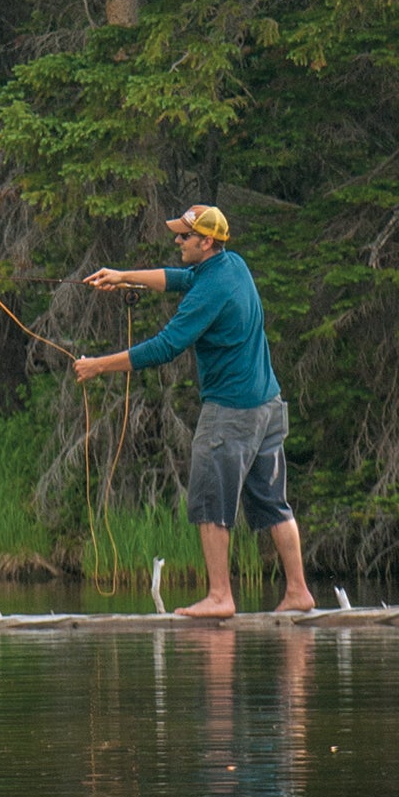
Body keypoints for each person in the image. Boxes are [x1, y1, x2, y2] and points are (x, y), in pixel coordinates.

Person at [73, 201, 315, 620]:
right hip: (268, 406)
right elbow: (181, 278)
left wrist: (99, 366)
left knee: (210, 502)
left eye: (184, 236)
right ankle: (298, 592)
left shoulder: (210, 290)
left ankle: (220, 596)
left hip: (231, 411)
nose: (177, 241)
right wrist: (123, 275)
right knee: (274, 504)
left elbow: (165, 347)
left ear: (206, 241)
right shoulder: (231, 266)